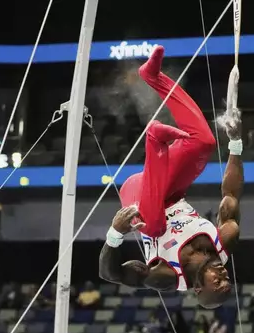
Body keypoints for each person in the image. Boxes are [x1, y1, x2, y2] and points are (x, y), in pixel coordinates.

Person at [98, 45, 243, 310]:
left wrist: (115, 233)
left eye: (217, 282)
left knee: (152, 225)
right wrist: (235, 142)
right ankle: (153, 76)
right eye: (227, 279)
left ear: (198, 288)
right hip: (169, 188)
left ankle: (154, 139)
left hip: (139, 197)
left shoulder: (167, 276)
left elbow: (111, 275)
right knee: (204, 142)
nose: (223, 274)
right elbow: (230, 195)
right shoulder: (225, 241)